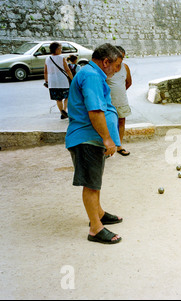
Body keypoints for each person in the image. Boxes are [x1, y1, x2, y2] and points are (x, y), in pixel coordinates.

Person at [65, 43, 124, 244]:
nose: (118, 71)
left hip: (91, 138)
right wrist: (108, 139)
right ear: (106, 62)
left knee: (95, 180)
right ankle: (95, 229)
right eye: (117, 66)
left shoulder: (92, 73)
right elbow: (95, 111)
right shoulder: (91, 76)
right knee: (91, 184)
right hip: (86, 138)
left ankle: (98, 213)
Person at [106, 46, 132, 156]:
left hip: (121, 101)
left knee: (121, 122)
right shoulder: (106, 67)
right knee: (107, 124)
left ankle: (119, 145)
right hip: (108, 103)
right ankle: (107, 147)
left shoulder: (125, 67)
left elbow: (129, 82)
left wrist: (119, 92)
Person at [44, 42, 73, 119]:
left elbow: (45, 71)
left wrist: (46, 81)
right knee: (68, 95)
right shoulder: (61, 58)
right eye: (60, 48)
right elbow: (67, 70)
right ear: (56, 49)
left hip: (52, 82)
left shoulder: (47, 58)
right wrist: (72, 79)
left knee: (58, 99)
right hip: (63, 81)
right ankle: (64, 109)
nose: (61, 50)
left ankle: (62, 112)